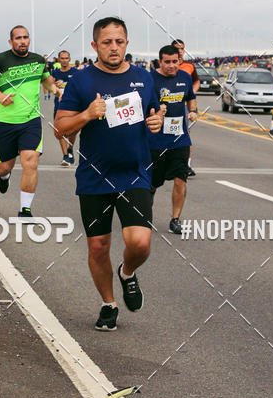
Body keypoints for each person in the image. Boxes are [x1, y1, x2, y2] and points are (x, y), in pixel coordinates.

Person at [55, 17, 163, 331]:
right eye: (106, 42)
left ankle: (127, 272)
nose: (113, 48)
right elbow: (59, 129)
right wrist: (87, 114)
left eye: (118, 41)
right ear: (95, 46)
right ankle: (108, 304)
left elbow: (154, 114)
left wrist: (155, 122)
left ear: (126, 43)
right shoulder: (81, 81)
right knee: (98, 246)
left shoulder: (144, 78)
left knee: (140, 242)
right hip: (94, 177)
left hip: (134, 174)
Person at [0, 25, 61, 217]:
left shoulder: (38, 61)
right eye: (18, 38)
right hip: (5, 122)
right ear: (11, 41)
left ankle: (25, 210)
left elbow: (46, 79)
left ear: (29, 40)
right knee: (3, 167)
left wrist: (56, 90)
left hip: (30, 121)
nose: (22, 41)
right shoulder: (1, 60)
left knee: (30, 162)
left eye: (25, 37)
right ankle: (5, 176)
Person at [149, 45, 197, 234]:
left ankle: (175, 219)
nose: (171, 65)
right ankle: (145, 213)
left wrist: (193, 111)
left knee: (180, 179)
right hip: (155, 140)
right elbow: (144, 106)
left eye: (174, 61)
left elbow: (191, 98)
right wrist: (157, 111)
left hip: (179, 139)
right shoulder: (151, 79)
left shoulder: (184, 77)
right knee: (153, 182)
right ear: (160, 62)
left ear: (179, 60)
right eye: (167, 62)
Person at [173, 39, 200, 177]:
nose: (180, 51)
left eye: (182, 48)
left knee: (186, 134)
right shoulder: (167, 64)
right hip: (168, 107)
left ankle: (187, 165)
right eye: (177, 48)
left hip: (183, 107)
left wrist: (192, 92)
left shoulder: (189, 66)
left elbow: (196, 81)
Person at [51, 50, 78, 166]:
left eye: (66, 58)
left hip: (73, 107)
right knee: (60, 131)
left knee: (73, 131)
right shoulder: (55, 73)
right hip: (59, 106)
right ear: (59, 60)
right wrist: (54, 87)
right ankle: (65, 155)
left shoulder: (75, 72)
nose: (64, 61)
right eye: (62, 58)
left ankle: (70, 148)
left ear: (70, 59)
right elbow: (50, 86)